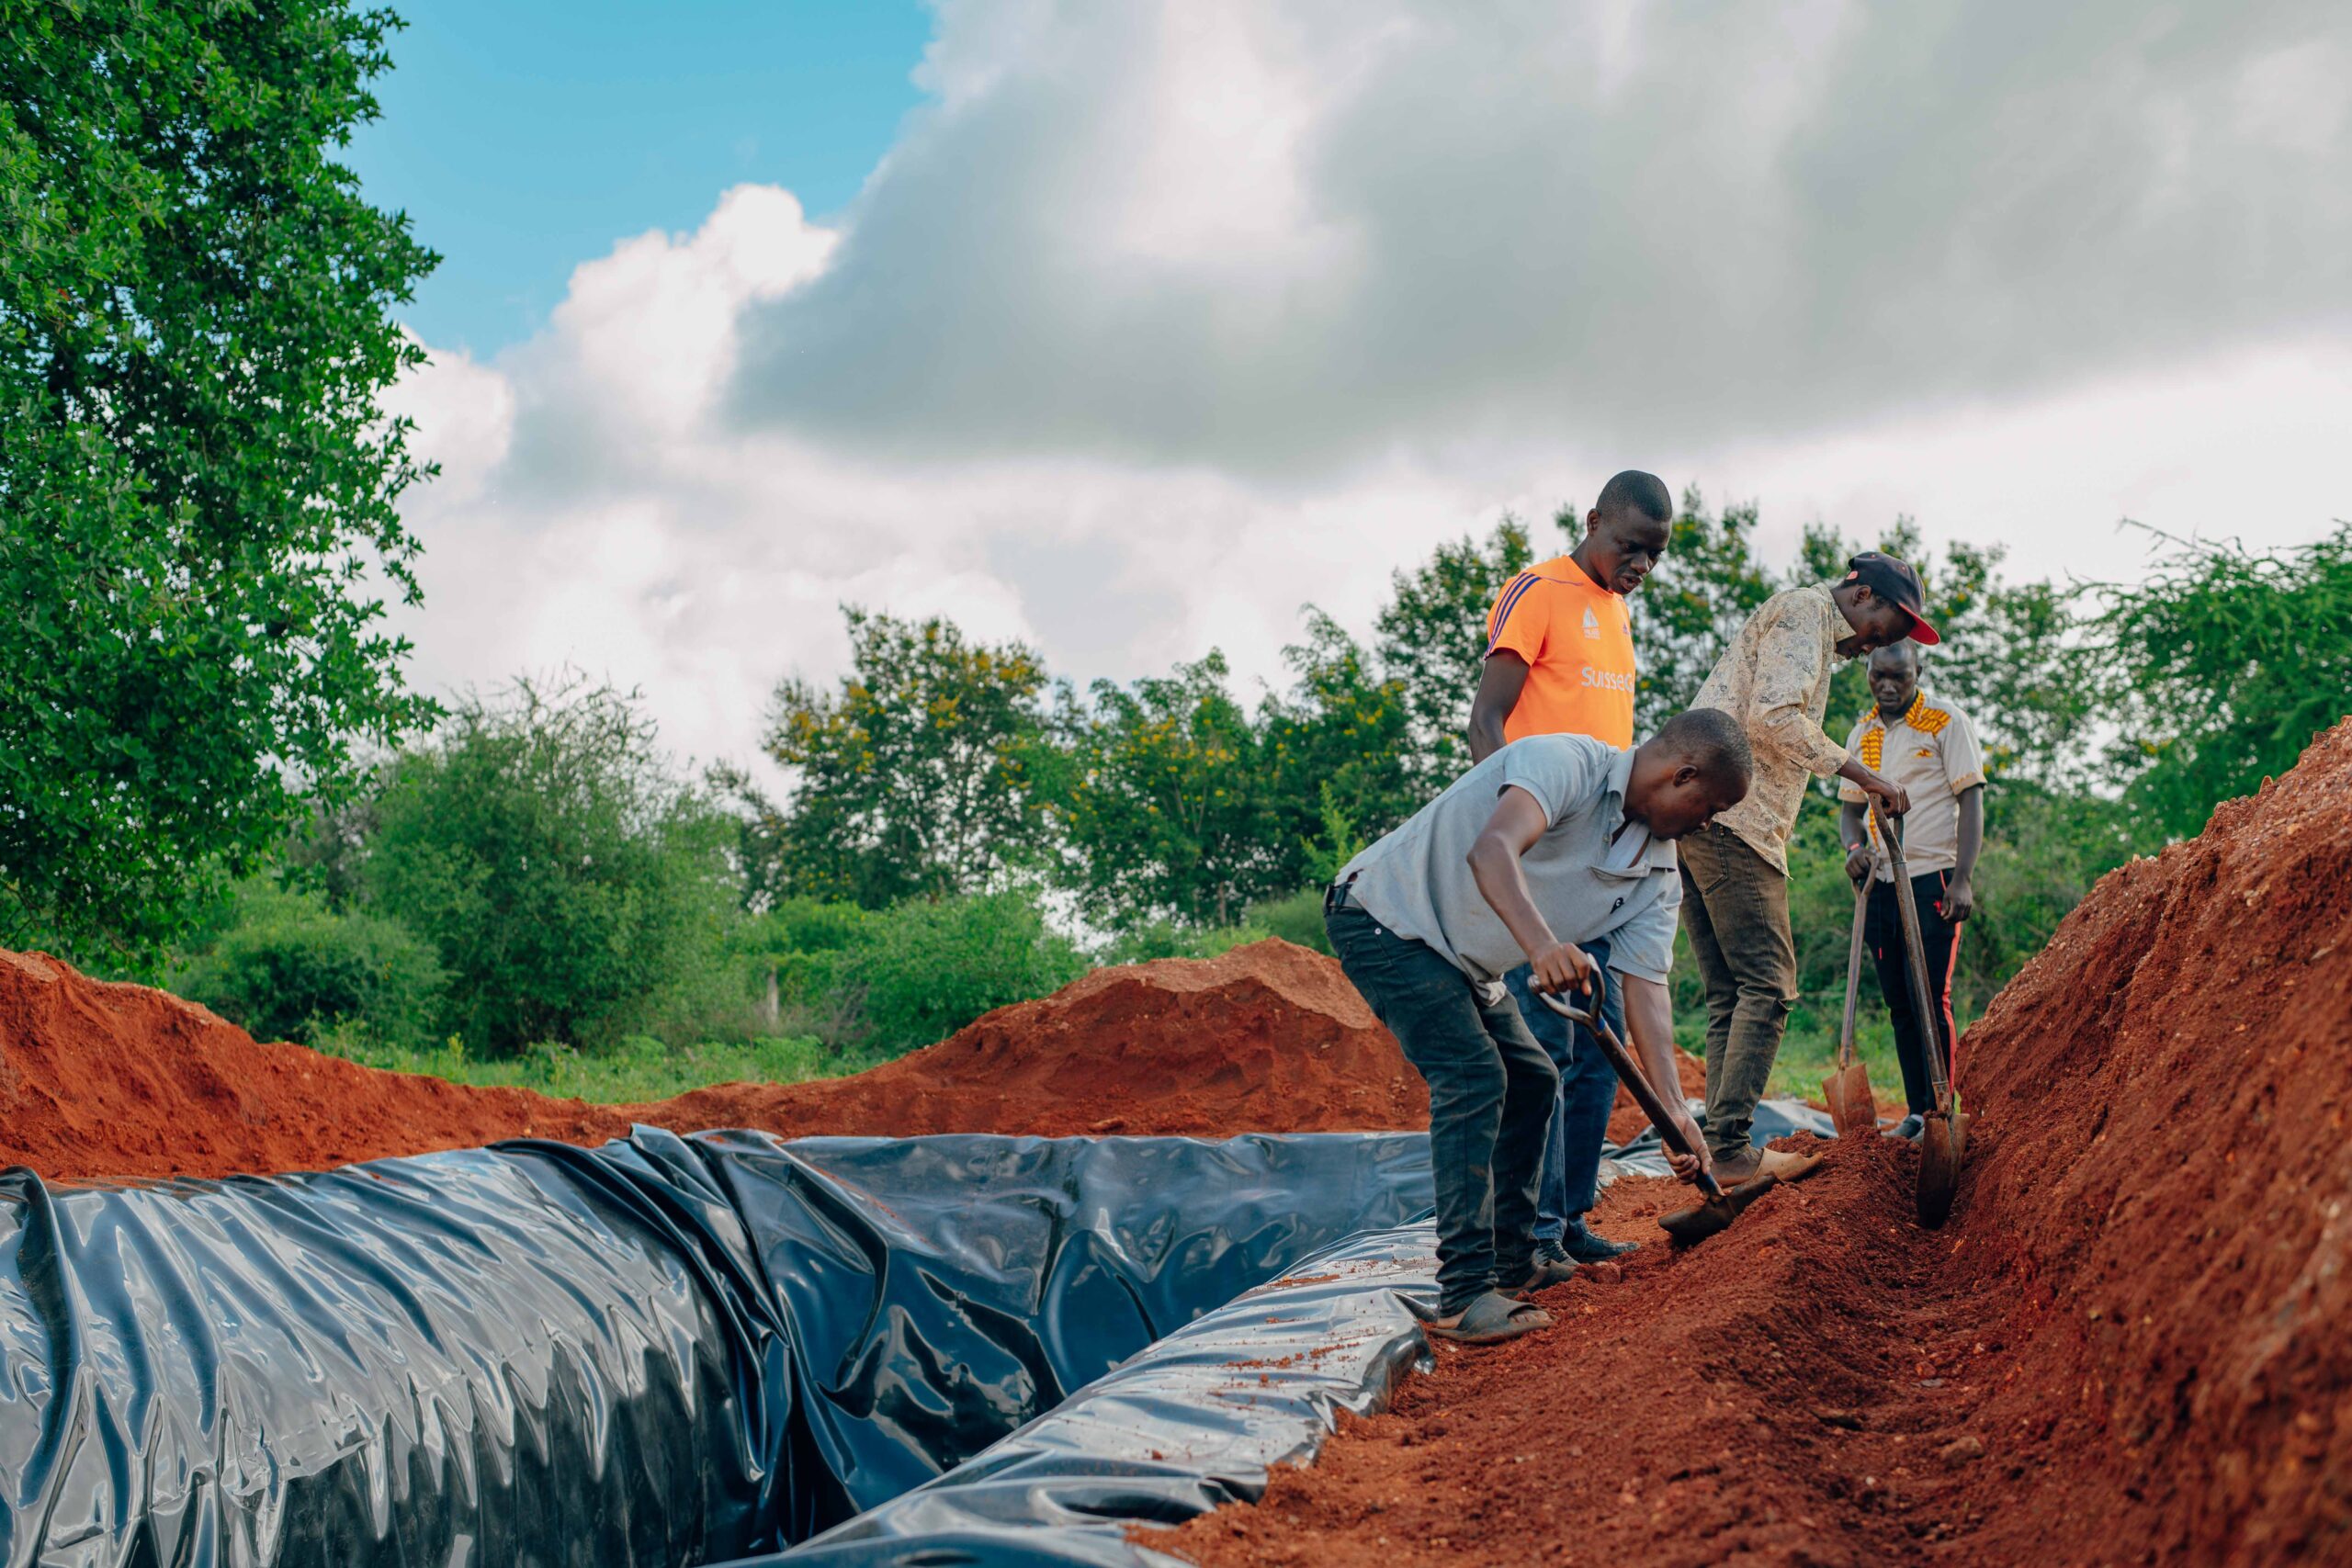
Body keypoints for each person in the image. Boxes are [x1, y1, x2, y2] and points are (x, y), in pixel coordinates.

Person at [1323, 709, 1752, 1344]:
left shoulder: (1659, 874)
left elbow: (1647, 990)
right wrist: (1544, 945)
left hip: (1464, 956)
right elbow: (1491, 848)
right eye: (1708, 804)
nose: (1707, 822)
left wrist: (1673, 1111)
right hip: (1386, 916)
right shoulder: (1566, 763)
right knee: (1474, 1075)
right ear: (1680, 773)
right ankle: (1464, 1292)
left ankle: (1516, 1259)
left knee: (1533, 1077)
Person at [1465, 468, 1673, 1270]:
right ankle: (1532, 1235)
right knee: (1544, 1047)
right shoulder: (1538, 590)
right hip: (1542, 858)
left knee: (1601, 1046)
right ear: (1592, 522)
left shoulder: (1619, 615)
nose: (1640, 567)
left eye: (1654, 555)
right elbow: (1486, 717)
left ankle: (1572, 1218)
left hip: (1607, 866)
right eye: (1629, 547)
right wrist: (1513, 829)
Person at [1679, 551, 1934, 1185]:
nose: (1875, 643)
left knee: (1731, 994)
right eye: (1883, 624)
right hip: (1736, 819)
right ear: (1860, 591)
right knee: (1768, 986)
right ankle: (1733, 1146)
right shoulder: (1806, 612)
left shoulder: (1809, 622)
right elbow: (1775, 716)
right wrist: (1866, 774)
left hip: (1699, 817)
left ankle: (1716, 1150)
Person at [1838, 642, 1985, 1140]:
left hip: (1932, 878)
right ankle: (1918, 1112)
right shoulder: (1862, 731)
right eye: (1878, 675)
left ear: (1917, 672)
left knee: (1929, 994)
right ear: (1868, 674)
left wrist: (1963, 878)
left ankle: (1944, 1109)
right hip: (1880, 882)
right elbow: (1849, 811)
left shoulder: (1947, 722)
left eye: (1898, 676)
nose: (1887, 685)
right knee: (1900, 1000)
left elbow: (1971, 798)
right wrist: (1853, 847)